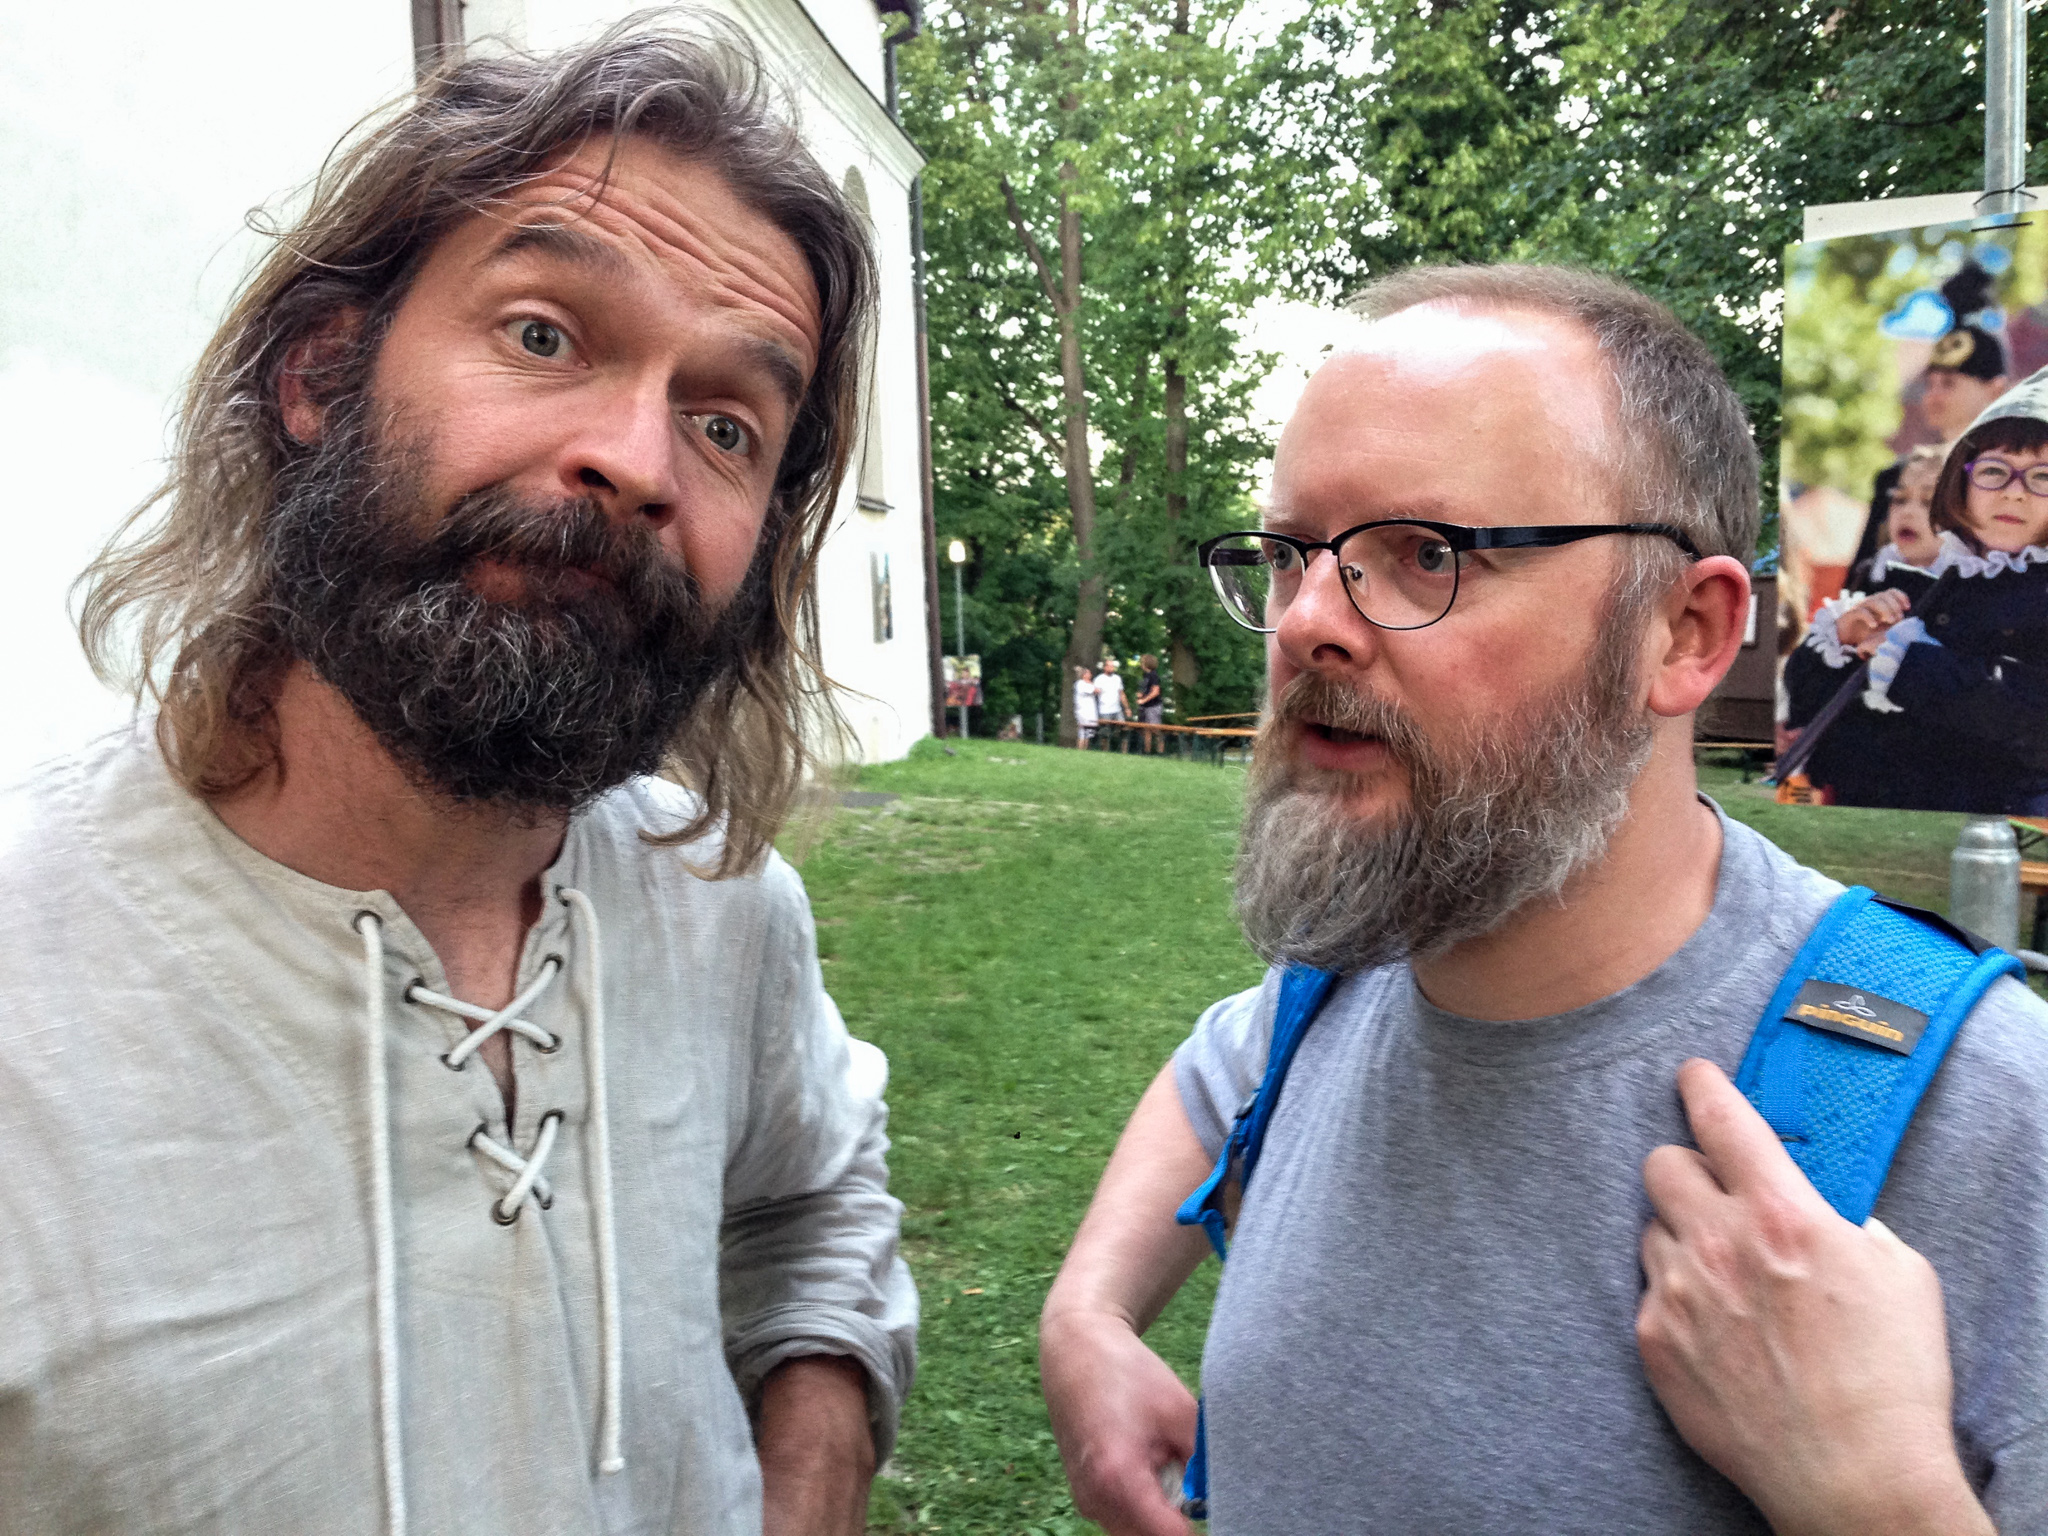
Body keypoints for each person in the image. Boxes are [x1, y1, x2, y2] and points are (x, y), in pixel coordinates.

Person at [0, 24, 915, 1536]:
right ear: (321, 372)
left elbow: (813, 1199)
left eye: (725, 425)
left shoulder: (725, 908)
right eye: (545, 335)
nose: (638, 462)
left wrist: (809, 1473)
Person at [1038, 265, 2048, 1535]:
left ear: (1682, 633)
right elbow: (1212, 1075)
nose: (1304, 624)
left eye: (1425, 555)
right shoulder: (1347, 978)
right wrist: (1087, 1308)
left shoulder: (1991, 1114)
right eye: (1292, 555)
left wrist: (1877, 1502)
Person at [1816, 369, 2048, 814]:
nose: (2014, 494)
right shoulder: (1947, 576)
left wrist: (1909, 663)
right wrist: (1848, 640)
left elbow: (2032, 716)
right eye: (1994, 471)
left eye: (2042, 477)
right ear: (1961, 483)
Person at [1093, 657, 1129, 752]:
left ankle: (1124, 751)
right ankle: (1105, 751)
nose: (1111, 668)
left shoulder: (1117, 678)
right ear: (1105, 667)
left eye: (1112, 666)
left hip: (1117, 709)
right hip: (1105, 709)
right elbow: (1095, 692)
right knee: (1105, 732)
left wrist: (1127, 708)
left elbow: (1121, 694)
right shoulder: (1099, 679)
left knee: (1124, 728)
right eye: (1109, 666)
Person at [1135, 653, 1165, 753]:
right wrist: (1141, 694)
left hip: (1153, 706)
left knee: (1155, 729)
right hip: (1145, 707)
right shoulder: (1146, 675)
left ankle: (1160, 751)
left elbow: (1155, 692)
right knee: (1145, 729)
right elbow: (1147, 689)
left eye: (1142, 662)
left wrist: (1144, 700)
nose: (1141, 664)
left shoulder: (1154, 675)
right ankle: (1147, 751)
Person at [1074, 663, 1101, 747]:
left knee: (1089, 733)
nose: (1090, 675)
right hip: (1083, 712)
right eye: (1088, 673)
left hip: (1090, 712)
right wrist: (1091, 683)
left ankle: (1085, 748)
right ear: (1084, 675)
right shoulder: (1081, 684)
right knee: (1083, 731)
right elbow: (1096, 690)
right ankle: (1080, 748)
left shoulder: (1088, 684)